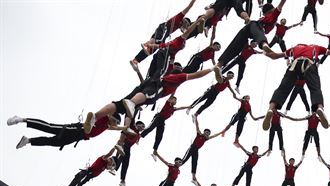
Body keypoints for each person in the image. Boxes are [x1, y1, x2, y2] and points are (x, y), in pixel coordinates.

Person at [83, 68, 213, 131]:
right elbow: (196, 75)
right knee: (148, 97)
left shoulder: (166, 75)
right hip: (156, 86)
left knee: (119, 106)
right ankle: (132, 103)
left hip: (145, 84)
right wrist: (212, 69)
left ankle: (95, 116)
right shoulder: (177, 77)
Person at [261, 43, 330, 131]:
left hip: (294, 66)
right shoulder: (316, 47)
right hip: (309, 65)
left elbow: (275, 56)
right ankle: (320, 108)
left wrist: (265, 52)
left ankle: (270, 109)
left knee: (282, 89)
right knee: (315, 88)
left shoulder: (294, 48)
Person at [130, 0, 197, 68]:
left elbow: (187, 31)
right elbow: (189, 7)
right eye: (186, 25)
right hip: (164, 28)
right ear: (184, 21)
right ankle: (147, 45)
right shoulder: (180, 17)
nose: (183, 28)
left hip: (165, 32)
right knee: (157, 42)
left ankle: (135, 60)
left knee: (155, 48)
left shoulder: (179, 26)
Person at [8, 113, 125, 150]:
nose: (115, 125)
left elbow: (114, 128)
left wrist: (125, 128)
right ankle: (20, 119)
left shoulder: (106, 125)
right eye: (116, 122)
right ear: (111, 118)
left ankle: (28, 140)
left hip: (77, 137)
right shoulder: (103, 118)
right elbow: (92, 116)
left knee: (54, 142)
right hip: (76, 130)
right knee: (49, 127)